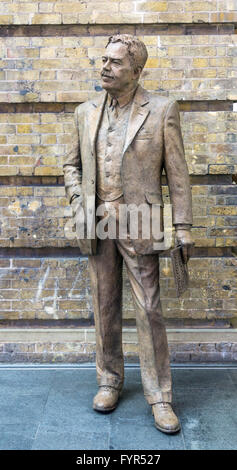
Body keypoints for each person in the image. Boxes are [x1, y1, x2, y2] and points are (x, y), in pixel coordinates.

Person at [63, 34, 194, 434]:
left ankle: (160, 396)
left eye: (115, 62)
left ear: (136, 71)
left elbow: (177, 173)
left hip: (141, 220)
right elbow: (71, 166)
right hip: (98, 220)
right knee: (104, 304)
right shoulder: (84, 112)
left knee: (149, 309)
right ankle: (109, 380)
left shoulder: (161, 110)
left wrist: (183, 227)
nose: (105, 67)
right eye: (104, 60)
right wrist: (78, 199)